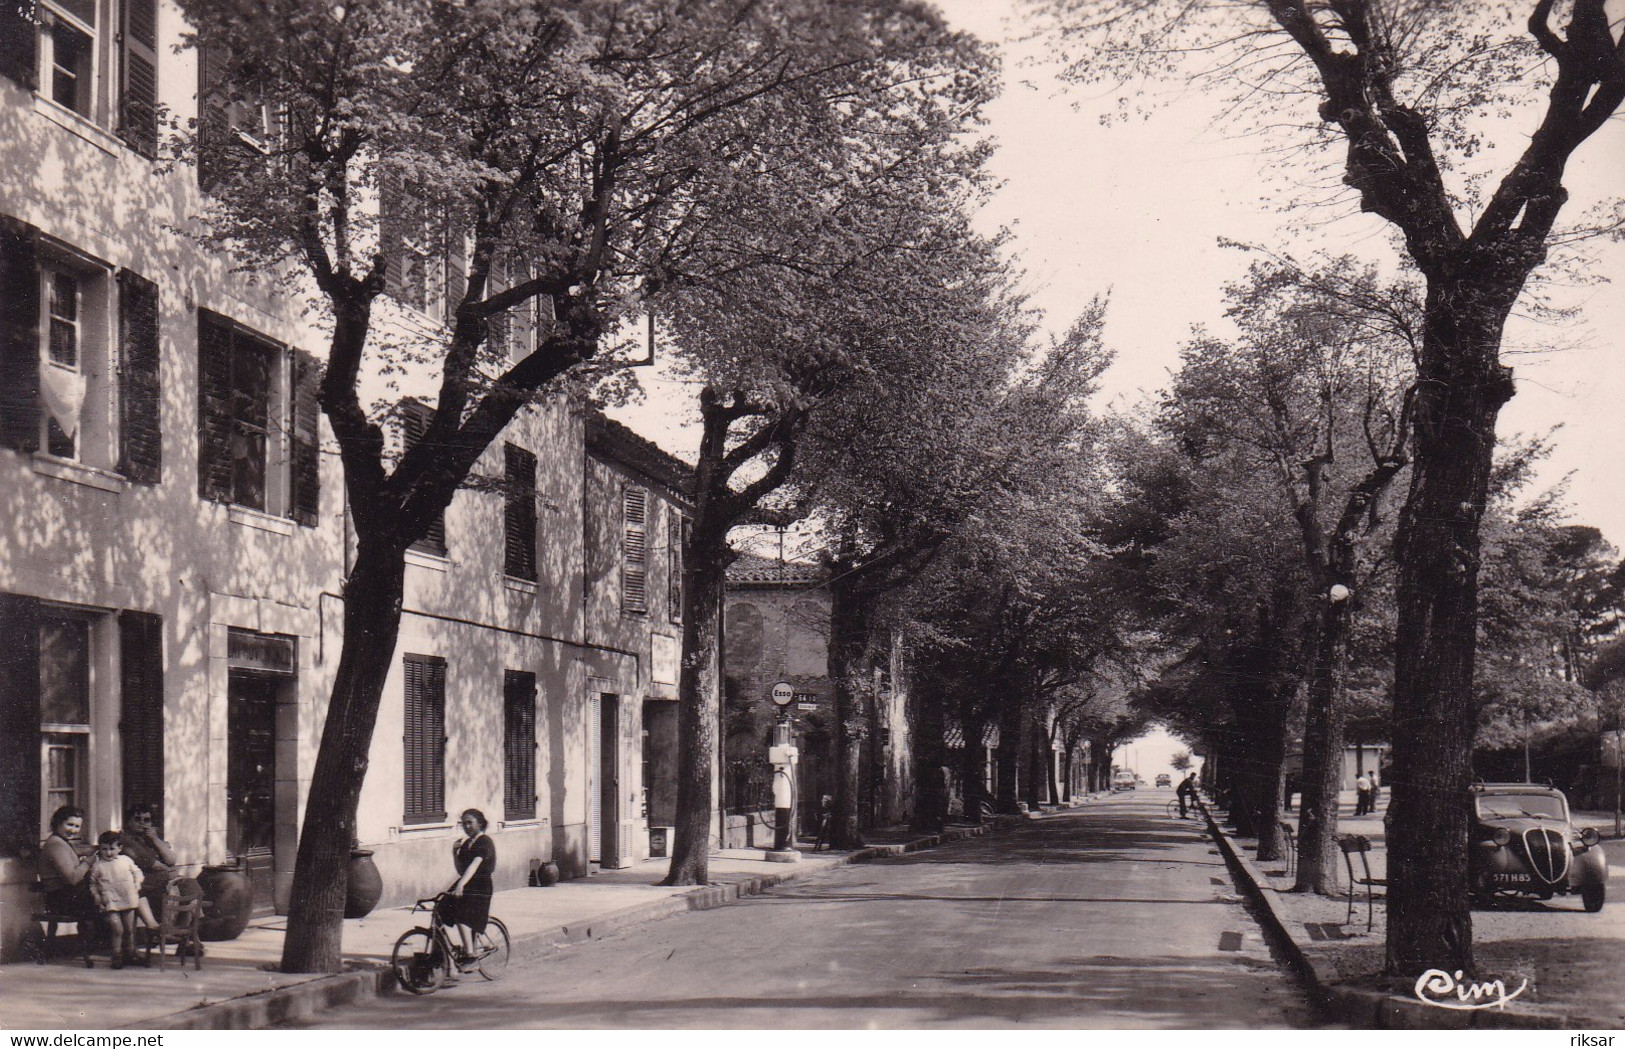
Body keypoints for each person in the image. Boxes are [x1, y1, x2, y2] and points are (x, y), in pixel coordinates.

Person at [438, 808, 495, 971]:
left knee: (462, 916)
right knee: (440, 909)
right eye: (464, 824)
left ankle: (470, 955)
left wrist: (460, 885)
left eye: (470, 822)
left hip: (481, 885)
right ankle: (445, 956)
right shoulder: (466, 844)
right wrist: (454, 853)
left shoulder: (485, 842)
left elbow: (474, 865)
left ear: (480, 823)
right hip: (467, 881)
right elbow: (461, 869)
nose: (466, 826)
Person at [88, 831, 154, 969]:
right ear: (100, 849)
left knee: (129, 929)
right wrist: (97, 897)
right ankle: (116, 955)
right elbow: (93, 883)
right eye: (104, 849)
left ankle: (130, 953)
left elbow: (137, 872)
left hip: (128, 899)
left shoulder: (125, 860)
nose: (108, 853)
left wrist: (137, 884)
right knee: (117, 929)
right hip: (111, 901)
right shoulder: (98, 865)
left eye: (112, 849)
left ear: (119, 848)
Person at [38, 805, 98, 928]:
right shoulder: (56, 844)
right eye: (69, 825)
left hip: (68, 895)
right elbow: (72, 878)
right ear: (58, 823)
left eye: (77, 826)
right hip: (61, 898)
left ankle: (103, 943)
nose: (73, 830)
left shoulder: (61, 842)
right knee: (110, 901)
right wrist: (88, 862)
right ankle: (100, 944)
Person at [119, 803, 179, 904]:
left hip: (156, 881)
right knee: (174, 883)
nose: (142, 823)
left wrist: (155, 839)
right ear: (129, 822)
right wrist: (170, 872)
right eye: (137, 819)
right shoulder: (125, 839)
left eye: (146, 820)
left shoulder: (150, 838)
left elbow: (171, 859)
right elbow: (152, 864)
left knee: (190, 884)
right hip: (139, 882)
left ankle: (194, 919)